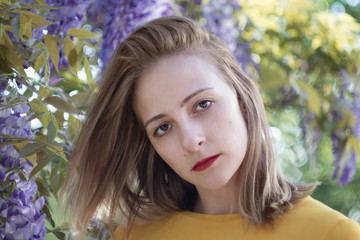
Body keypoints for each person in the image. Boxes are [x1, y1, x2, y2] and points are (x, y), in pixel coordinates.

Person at [61, 16, 360, 240]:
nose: (191, 141)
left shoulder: (332, 234)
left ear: (243, 98)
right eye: (163, 128)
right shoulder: (133, 235)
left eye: (202, 105)